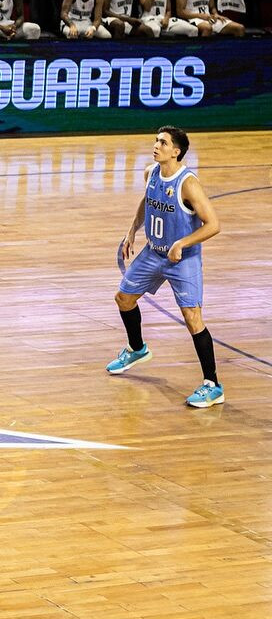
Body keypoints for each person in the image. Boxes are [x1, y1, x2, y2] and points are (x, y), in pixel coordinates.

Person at [107, 126, 225, 408]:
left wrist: (182, 243)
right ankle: (137, 348)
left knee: (192, 317)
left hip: (182, 259)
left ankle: (213, 385)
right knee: (124, 299)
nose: (156, 145)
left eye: (163, 142)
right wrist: (131, 230)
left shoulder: (188, 184)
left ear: (177, 151)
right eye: (156, 140)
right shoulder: (151, 173)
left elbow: (214, 225)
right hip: (154, 252)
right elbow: (146, 201)